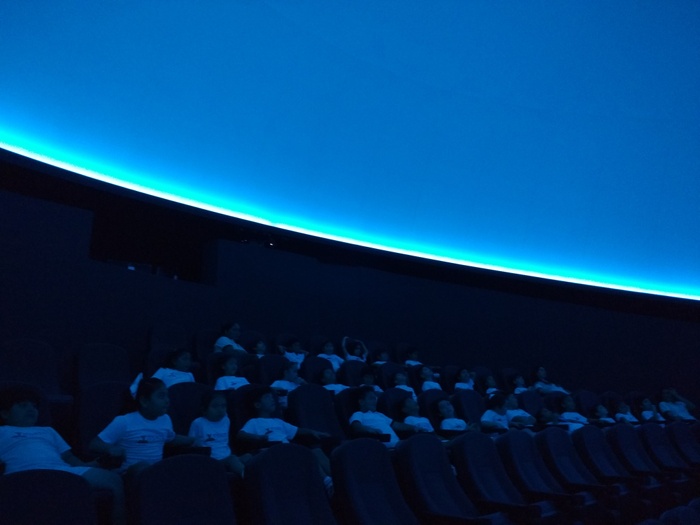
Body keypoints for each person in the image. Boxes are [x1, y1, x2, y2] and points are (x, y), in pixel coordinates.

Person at [0, 385, 126, 525]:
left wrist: (101, 461)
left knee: (114, 480)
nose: (31, 409)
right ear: (5, 413)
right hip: (19, 473)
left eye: (34, 406)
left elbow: (71, 460)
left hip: (61, 471)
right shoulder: (2, 431)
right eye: (23, 405)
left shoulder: (48, 431)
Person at [90, 378, 195, 475]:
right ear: (144, 401)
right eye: (161, 396)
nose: (167, 400)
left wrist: (193, 440)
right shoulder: (124, 421)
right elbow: (94, 444)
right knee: (142, 467)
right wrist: (110, 448)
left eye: (167, 396)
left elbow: (171, 438)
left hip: (155, 473)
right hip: (127, 475)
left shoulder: (166, 419)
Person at [236, 388, 333, 490]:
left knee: (316, 451)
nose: (272, 399)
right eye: (267, 397)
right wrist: (258, 437)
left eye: (272, 397)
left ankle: (332, 481)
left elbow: (297, 430)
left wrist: (314, 432)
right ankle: (327, 482)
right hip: (270, 450)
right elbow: (241, 435)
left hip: (287, 448)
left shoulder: (278, 421)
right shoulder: (254, 422)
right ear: (257, 405)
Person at [188, 391, 247, 477]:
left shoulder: (226, 420)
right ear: (204, 409)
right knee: (232, 460)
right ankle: (248, 477)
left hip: (227, 457)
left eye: (223, 406)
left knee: (248, 457)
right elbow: (191, 444)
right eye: (215, 406)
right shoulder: (198, 423)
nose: (220, 410)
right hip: (211, 460)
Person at [349, 386, 419, 447]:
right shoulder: (359, 414)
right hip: (382, 445)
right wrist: (369, 430)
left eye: (375, 398)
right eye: (371, 398)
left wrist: (413, 427)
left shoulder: (379, 414)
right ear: (361, 402)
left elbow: (396, 425)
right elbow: (356, 426)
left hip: (397, 444)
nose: (375, 401)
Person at [129, 348, 195, 397]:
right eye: (185, 359)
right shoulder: (164, 371)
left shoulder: (189, 374)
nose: (188, 362)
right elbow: (153, 383)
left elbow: (192, 389)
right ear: (174, 361)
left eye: (190, 360)